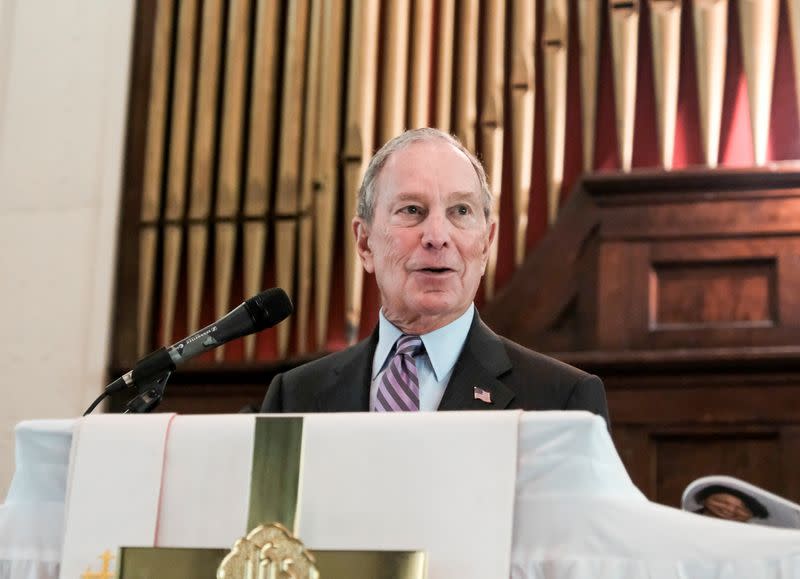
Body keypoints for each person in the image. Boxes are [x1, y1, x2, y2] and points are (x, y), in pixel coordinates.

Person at [261, 127, 609, 423]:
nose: (437, 236)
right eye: (412, 210)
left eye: (460, 211)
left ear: (486, 242)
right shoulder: (294, 397)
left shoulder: (563, 400)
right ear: (365, 243)